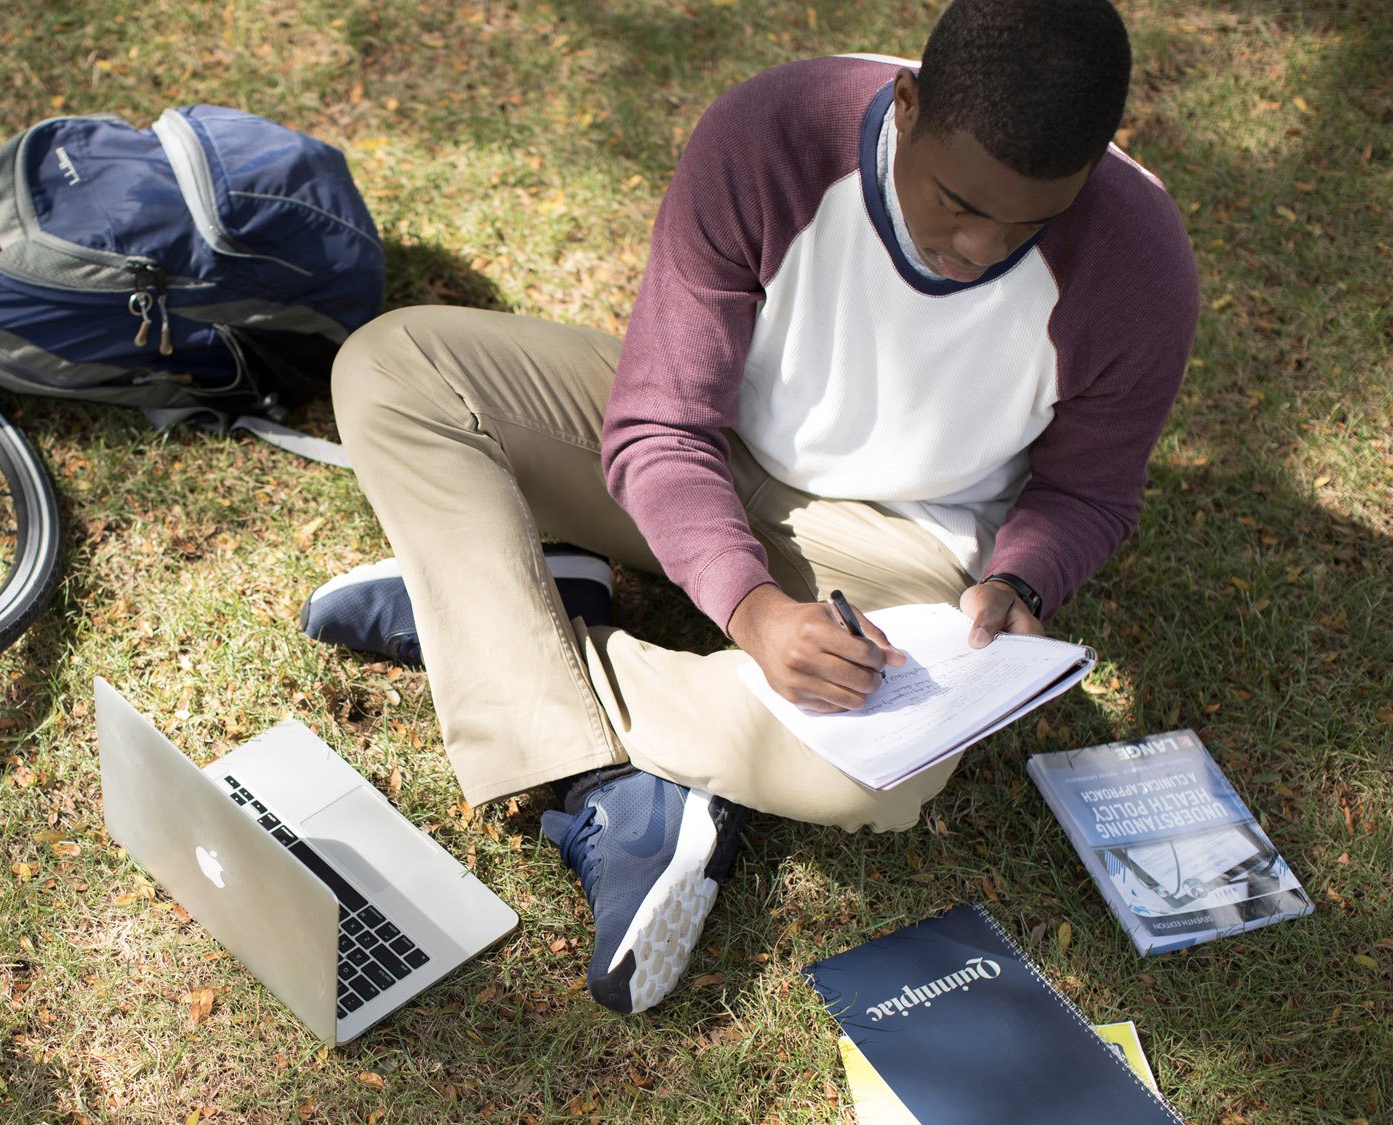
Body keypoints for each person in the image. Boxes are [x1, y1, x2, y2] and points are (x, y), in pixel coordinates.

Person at [301, 0, 1198, 1014]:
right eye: (953, 199)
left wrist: (1020, 574)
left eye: (1026, 223)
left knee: (888, 785)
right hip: (709, 442)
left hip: (893, 546)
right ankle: (589, 737)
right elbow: (658, 425)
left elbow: (1088, 489)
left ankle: (486, 622)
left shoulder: (1136, 263)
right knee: (397, 367)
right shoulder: (776, 133)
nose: (977, 245)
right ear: (904, 105)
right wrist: (748, 610)